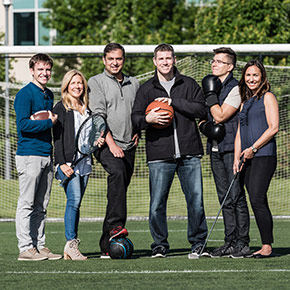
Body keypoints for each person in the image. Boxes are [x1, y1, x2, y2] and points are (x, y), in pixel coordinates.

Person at [131, 43, 208, 259]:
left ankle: (198, 243)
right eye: (161, 59)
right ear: (155, 61)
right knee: (157, 203)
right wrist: (148, 119)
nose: (165, 62)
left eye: (169, 58)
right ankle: (159, 245)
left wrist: (174, 103)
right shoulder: (146, 89)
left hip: (189, 152)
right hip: (159, 154)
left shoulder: (188, 84)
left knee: (195, 200)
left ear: (174, 59)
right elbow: (135, 118)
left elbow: (201, 109)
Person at [88, 43, 139, 258]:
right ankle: (117, 227)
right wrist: (111, 144)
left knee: (119, 191)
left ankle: (106, 243)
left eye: (118, 59)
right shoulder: (95, 82)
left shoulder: (134, 82)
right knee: (116, 173)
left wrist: (138, 130)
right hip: (105, 143)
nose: (115, 63)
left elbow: (138, 111)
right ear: (104, 60)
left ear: (123, 60)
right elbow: (98, 115)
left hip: (129, 145)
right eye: (111, 59)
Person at [200, 47, 250, 258]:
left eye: (219, 61)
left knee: (236, 195)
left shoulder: (236, 88)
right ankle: (230, 241)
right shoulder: (212, 85)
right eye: (214, 60)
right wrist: (203, 126)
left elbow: (220, 116)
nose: (214, 64)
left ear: (230, 66)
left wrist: (210, 97)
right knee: (224, 198)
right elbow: (204, 118)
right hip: (214, 148)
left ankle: (243, 242)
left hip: (231, 148)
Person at [14, 53, 62, 261]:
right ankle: (25, 247)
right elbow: (23, 125)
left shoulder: (49, 94)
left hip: (46, 154)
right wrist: (48, 123)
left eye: (48, 69)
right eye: (40, 69)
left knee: (42, 205)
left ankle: (39, 245)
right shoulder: (24, 94)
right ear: (32, 71)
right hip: (29, 155)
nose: (45, 73)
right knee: (27, 203)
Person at [53, 70, 105, 260]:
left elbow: (87, 137)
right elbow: (57, 139)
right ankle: (71, 243)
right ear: (67, 85)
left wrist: (97, 142)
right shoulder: (61, 107)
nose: (77, 86)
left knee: (77, 203)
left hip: (84, 162)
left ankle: (70, 247)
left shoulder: (86, 107)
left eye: (80, 83)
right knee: (73, 201)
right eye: (73, 83)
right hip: (68, 163)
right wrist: (61, 163)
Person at [234, 59, 279, 258]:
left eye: (255, 75)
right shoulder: (244, 101)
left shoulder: (268, 97)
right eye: (248, 75)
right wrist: (237, 157)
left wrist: (253, 147)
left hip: (264, 155)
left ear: (262, 78)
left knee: (257, 198)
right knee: (255, 200)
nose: (251, 79)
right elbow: (239, 131)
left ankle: (267, 246)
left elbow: (274, 127)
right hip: (247, 157)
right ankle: (263, 244)